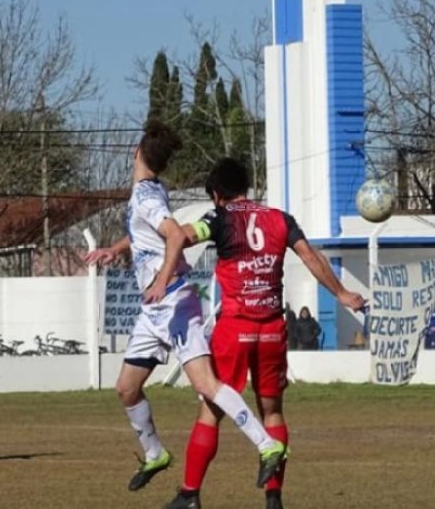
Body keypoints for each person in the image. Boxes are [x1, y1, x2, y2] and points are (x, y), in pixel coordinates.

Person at [85, 121, 286, 494]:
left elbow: (175, 233)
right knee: (127, 389)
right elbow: (148, 232)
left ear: (135, 152)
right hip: (155, 310)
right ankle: (155, 453)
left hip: (173, 300)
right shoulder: (151, 191)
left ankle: (267, 444)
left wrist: (162, 279)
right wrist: (116, 248)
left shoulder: (147, 195)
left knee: (208, 385)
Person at [165, 157, 366, 509]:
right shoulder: (280, 219)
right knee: (272, 412)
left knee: (212, 410)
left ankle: (190, 494)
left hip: (236, 327)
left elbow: (183, 236)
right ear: (246, 187)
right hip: (273, 329)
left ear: (216, 195)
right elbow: (311, 257)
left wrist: (160, 232)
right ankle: (274, 498)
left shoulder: (218, 217)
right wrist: (342, 294)